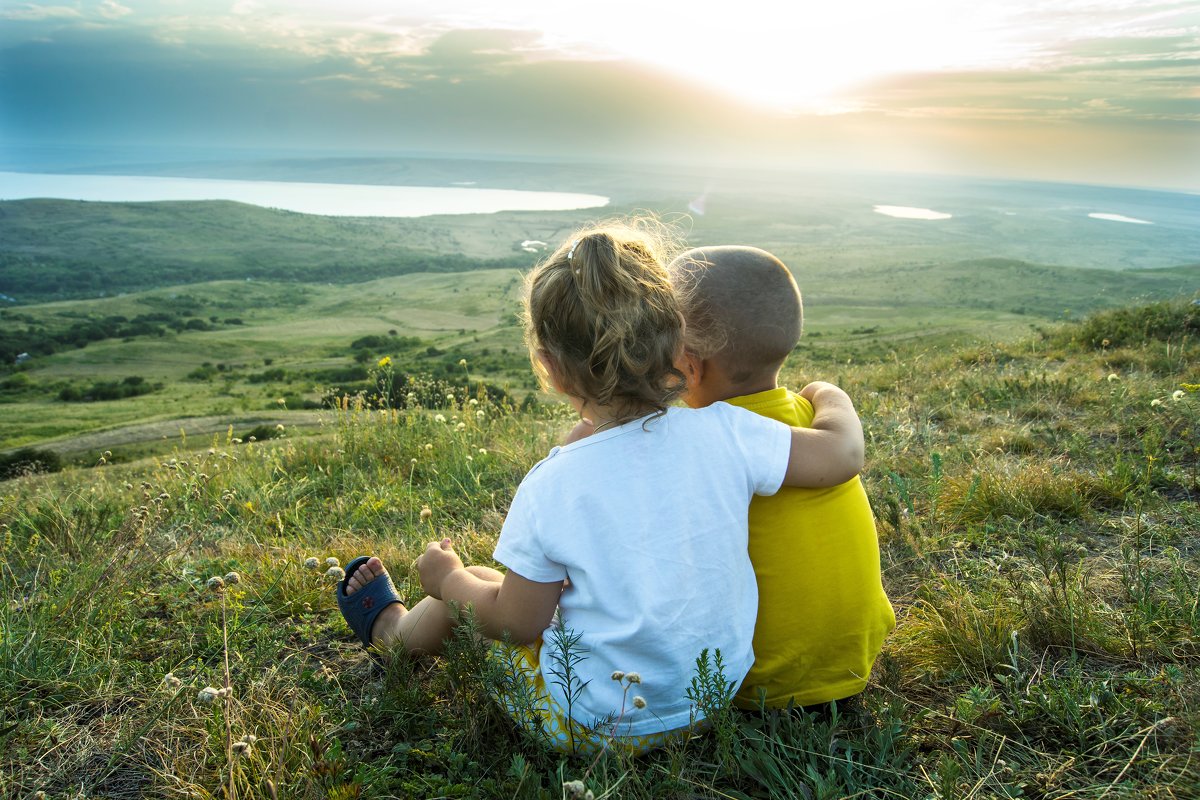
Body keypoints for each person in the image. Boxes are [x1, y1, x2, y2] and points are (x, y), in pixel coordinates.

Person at [337, 221, 866, 755]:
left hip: (599, 727)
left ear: (550, 369)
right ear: (677, 349)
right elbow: (843, 454)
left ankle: (392, 633)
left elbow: (516, 623)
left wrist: (447, 579)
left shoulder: (553, 485)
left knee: (477, 585)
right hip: (713, 701)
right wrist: (827, 392)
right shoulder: (728, 431)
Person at [668, 245, 895, 712]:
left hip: (756, 683)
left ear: (690, 365)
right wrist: (829, 393)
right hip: (854, 661)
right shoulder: (812, 424)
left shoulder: (693, 441)